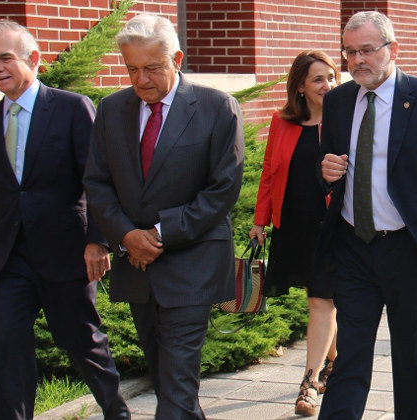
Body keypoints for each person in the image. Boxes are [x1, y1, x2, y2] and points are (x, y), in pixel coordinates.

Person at [82, 13, 244, 419]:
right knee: (168, 378)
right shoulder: (112, 109)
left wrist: (157, 233)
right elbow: (97, 183)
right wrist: (125, 235)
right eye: (132, 69)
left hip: (193, 261)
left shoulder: (216, 107)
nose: (141, 80)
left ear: (177, 58)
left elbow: (222, 190)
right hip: (136, 265)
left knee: (174, 388)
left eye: (152, 68)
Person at [0, 19, 128, 420]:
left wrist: (98, 240)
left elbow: (97, 178)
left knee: (81, 341)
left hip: (66, 253)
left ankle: (116, 410)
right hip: (8, 259)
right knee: (8, 348)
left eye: (5, 58)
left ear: (34, 59)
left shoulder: (72, 108)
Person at [316, 11, 417, 419]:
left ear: (392, 50)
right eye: (349, 52)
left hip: (414, 252)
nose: (357, 60)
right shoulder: (338, 100)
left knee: (416, 366)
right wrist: (325, 173)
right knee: (349, 361)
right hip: (354, 248)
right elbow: (328, 166)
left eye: (367, 50)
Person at [249, 50, 339, 417]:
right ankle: (334, 360)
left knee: (322, 300)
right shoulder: (282, 122)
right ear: (300, 86)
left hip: (333, 225)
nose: (328, 85)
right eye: (318, 79)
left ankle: (309, 382)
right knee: (315, 297)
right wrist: (260, 220)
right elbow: (270, 172)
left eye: (331, 77)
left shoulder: (342, 120)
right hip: (294, 224)